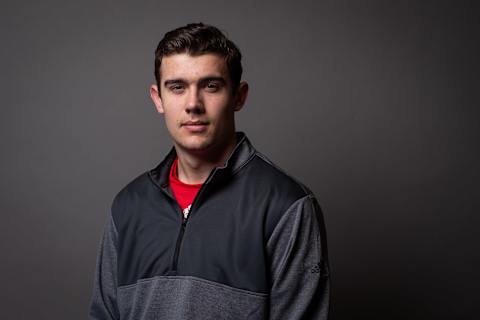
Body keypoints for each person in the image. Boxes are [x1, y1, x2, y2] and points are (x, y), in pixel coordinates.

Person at [89, 22, 330, 320]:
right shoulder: (127, 206)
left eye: (211, 86)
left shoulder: (286, 206)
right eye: (177, 87)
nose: (193, 104)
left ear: (238, 96)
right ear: (157, 98)